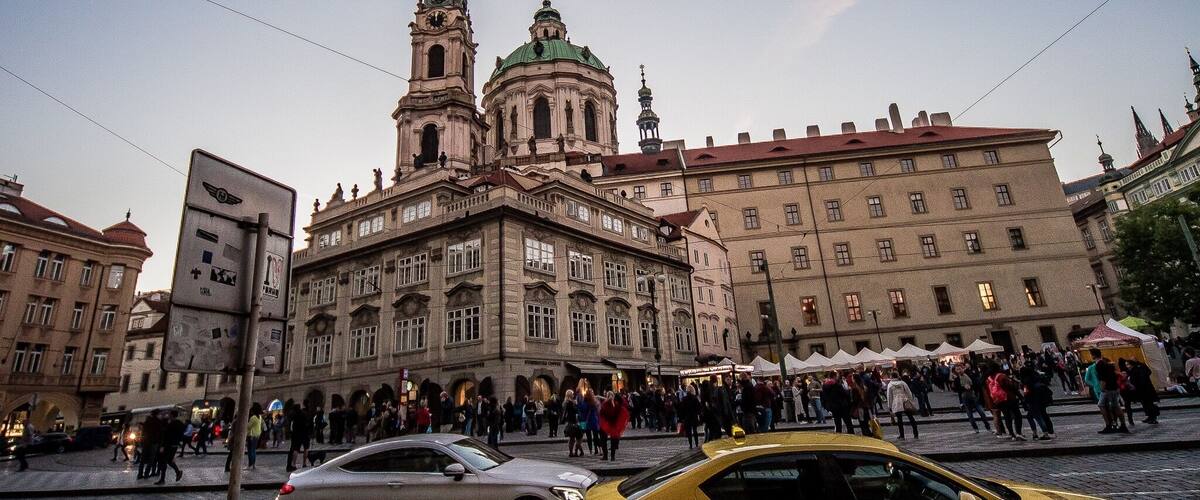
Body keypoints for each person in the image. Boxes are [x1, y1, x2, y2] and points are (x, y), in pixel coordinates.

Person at [1090, 349, 1129, 434]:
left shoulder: (1099, 365)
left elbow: (1103, 378)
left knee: (1101, 404)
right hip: (1114, 387)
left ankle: (1109, 425)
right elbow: (1115, 373)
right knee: (1116, 405)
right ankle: (1122, 425)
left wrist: (1102, 388)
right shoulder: (1106, 363)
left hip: (1107, 388)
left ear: (1093, 355)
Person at [988, 366, 1026, 441]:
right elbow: (1012, 387)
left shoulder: (989, 379)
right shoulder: (1002, 376)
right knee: (1017, 415)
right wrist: (1020, 397)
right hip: (1009, 398)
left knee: (1007, 417)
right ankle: (1018, 433)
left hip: (999, 400)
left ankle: (1012, 434)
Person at [952, 365, 990, 433]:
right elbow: (956, 389)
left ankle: (987, 426)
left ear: (963, 369)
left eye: (960, 369)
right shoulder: (957, 379)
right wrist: (963, 388)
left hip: (973, 396)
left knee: (982, 413)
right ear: (956, 371)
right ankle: (975, 428)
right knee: (970, 415)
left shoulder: (969, 375)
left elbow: (976, 384)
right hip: (965, 398)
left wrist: (971, 387)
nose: (959, 370)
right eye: (957, 370)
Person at [598, 391, 630, 461]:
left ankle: (605, 456)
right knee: (613, 440)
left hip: (605, 424)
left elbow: (601, 413)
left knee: (603, 440)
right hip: (614, 424)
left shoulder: (605, 404)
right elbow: (624, 406)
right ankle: (612, 457)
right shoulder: (617, 405)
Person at [886, 371, 918, 439]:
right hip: (905, 401)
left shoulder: (890, 385)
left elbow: (889, 396)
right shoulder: (902, 383)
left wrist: (890, 406)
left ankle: (902, 435)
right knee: (910, 417)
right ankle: (916, 433)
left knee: (899, 420)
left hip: (896, 403)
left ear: (891, 376)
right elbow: (909, 392)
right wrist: (910, 400)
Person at [1128, 359, 1160, 424]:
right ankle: (1149, 416)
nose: (1127, 366)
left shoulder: (1140, 368)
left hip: (1145, 390)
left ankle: (1153, 417)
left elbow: (1141, 379)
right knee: (1145, 404)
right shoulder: (1134, 370)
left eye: (1128, 364)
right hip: (1142, 390)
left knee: (1149, 404)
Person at [157, 411, 184, 484]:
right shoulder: (180, 423)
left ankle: (162, 479)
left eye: (169, 415)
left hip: (168, 445)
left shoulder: (171, 424)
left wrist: (162, 446)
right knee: (169, 460)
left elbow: (166, 435)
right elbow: (181, 433)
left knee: (164, 461)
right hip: (175, 445)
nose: (168, 416)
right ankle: (178, 472)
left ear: (171, 415)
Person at [285, 403, 312, 472]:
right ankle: (304, 463)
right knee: (306, 448)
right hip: (305, 434)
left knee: (296, 449)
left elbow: (291, 424)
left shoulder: (294, 415)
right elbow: (309, 423)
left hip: (296, 434)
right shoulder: (304, 414)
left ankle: (293, 464)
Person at [137, 410, 162, 479]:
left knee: (142, 459)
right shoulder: (158, 422)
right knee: (151, 459)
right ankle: (146, 474)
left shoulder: (147, 422)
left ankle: (139, 474)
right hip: (154, 443)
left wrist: (141, 441)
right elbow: (160, 434)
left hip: (146, 442)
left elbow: (143, 432)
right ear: (157, 414)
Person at [563, 390, 583, 457]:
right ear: (570, 395)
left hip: (570, 422)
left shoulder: (566, 402)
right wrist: (575, 404)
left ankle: (573, 452)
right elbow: (576, 411)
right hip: (575, 422)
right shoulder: (570, 403)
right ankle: (576, 452)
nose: (573, 395)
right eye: (572, 394)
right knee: (579, 437)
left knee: (572, 438)